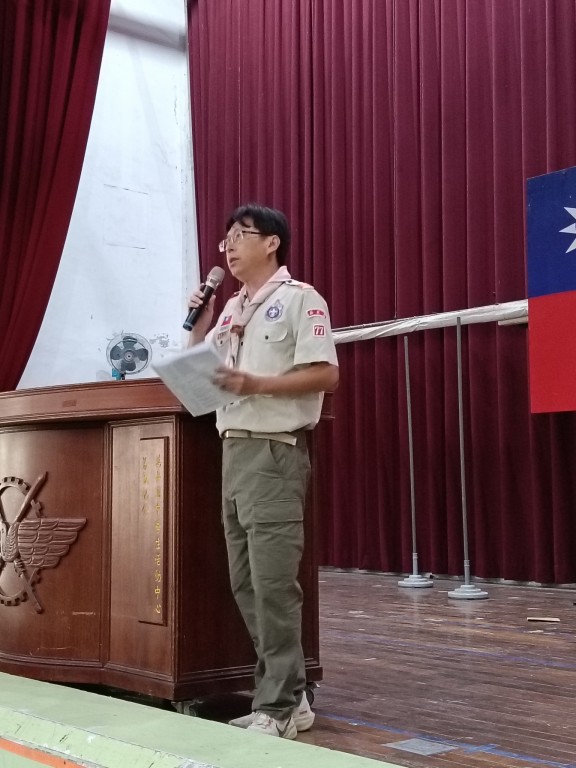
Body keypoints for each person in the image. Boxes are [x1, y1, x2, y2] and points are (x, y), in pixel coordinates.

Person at [186, 203, 339, 739]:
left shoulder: (300, 299)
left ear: (271, 243)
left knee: (273, 584)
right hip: (232, 450)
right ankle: (290, 698)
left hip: (274, 450)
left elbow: (326, 374)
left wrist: (258, 385)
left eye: (240, 235)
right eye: (225, 238)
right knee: (245, 582)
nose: (228, 246)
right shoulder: (230, 309)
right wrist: (199, 326)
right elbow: (201, 376)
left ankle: (277, 707)